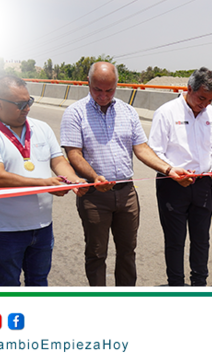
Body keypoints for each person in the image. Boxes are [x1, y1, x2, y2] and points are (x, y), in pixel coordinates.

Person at [61, 62, 187, 287]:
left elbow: (141, 149)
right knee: (97, 253)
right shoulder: (75, 113)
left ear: (117, 85)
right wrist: (95, 176)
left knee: (128, 252)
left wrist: (169, 169)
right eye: (97, 90)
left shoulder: (128, 111)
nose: (103, 95)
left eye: (109, 90)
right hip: (94, 195)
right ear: (87, 84)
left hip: (127, 194)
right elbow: (74, 154)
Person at [0, 75, 87, 286]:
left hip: (42, 227)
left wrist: (74, 180)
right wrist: (45, 184)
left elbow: (58, 161)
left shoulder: (41, 128)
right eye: (20, 104)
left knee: (39, 283)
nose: (27, 108)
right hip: (6, 230)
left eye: (29, 101)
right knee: (8, 287)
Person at [148, 67, 212, 286]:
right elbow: (155, 151)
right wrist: (173, 172)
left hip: (203, 185)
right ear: (189, 88)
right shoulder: (167, 112)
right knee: (175, 241)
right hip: (172, 185)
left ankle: (199, 285)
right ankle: (176, 286)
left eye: (210, 100)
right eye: (201, 98)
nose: (205, 105)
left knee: (201, 240)